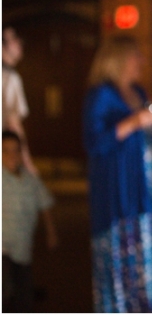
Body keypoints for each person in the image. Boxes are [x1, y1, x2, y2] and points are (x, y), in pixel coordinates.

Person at [82, 35, 152, 312]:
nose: (141, 61)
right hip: (121, 192)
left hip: (149, 190)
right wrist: (134, 122)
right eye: (136, 55)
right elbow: (95, 143)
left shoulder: (140, 91)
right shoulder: (101, 94)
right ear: (119, 59)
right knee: (125, 256)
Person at [2, 130, 57, 313]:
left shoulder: (30, 179)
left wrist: (51, 231)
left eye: (15, 150)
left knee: (23, 290)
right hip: (2, 246)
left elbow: (45, 203)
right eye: (6, 150)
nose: (11, 155)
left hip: (23, 246)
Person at [2, 26, 36, 174]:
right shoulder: (10, 78)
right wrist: (27, 163)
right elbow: (14, 123)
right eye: (13, 39)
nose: (18, 43)